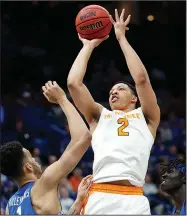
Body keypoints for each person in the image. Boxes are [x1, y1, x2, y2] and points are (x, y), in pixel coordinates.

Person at [67, 9, 160, 214]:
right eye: (111, 91)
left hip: (134, 198)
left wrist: (121, 38)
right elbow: (73, 84)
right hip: (101, 195)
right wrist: (88, 46)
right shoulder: (100, 116)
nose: (113, 92)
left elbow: (141, 79)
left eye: (120, 88)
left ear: (134, 98)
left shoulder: (147, 118)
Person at [0, 81, 92, 215]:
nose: (35, 160)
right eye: (31, 158)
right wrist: (62, 99)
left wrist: (78, 202)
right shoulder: (45, 182)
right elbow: (84, 138)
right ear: (28, 167)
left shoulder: (10, 207)